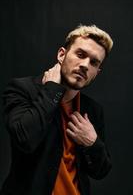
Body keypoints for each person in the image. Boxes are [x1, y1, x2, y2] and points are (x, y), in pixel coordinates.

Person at [1, 24, 113, 195]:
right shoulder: (22, 89)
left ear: (96, 72)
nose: (85, 65)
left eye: (94, 62)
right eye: (80, 55)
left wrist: (92, 143)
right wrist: (51, 90)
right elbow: (24, 139)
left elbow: (101, 171)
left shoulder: (92, 110)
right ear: (62, 54)